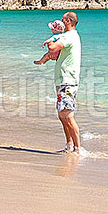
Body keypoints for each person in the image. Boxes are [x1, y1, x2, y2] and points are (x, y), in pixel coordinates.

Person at [40, 11, 82, 153]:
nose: (61, 22)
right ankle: (69, 144)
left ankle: (77, 149)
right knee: (61, 114)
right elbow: (58, 55)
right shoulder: (70, 36)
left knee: (67, 115)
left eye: (63, 20)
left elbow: (52, 48)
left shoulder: (68, 36)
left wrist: (51, 40)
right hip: (62, 80)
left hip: (67, 80)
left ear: (69, 21)